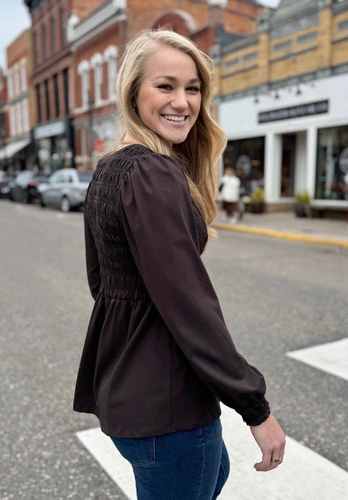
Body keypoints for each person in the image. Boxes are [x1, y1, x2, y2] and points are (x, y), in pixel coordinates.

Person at [73, 29, 285, 499]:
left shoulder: (111, 169)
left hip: (133, 397)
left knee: (214, 473)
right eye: (165, 86)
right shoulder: (150, 173)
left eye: (193, 88)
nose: (184, 101)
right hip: (166, 408)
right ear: (133, 92)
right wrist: (256, 408)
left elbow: (101, 283)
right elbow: (190, 306)